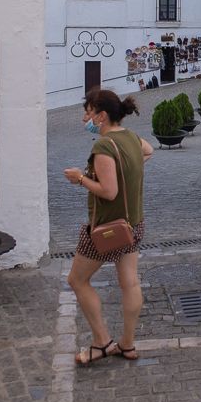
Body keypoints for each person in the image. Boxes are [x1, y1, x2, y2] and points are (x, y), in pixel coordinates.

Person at [63, 89, 154, 366]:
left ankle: (101, 342)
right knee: (130, 282)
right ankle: (127, 344)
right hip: (132, 224)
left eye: (88, 113)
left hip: (106, 230)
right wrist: (127, 170)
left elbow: (109, 191)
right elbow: (148, 151)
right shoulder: (131, 137)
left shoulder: (103, 147)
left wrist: (80, 178)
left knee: (77, 280)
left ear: (101, 116)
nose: (85, 119)